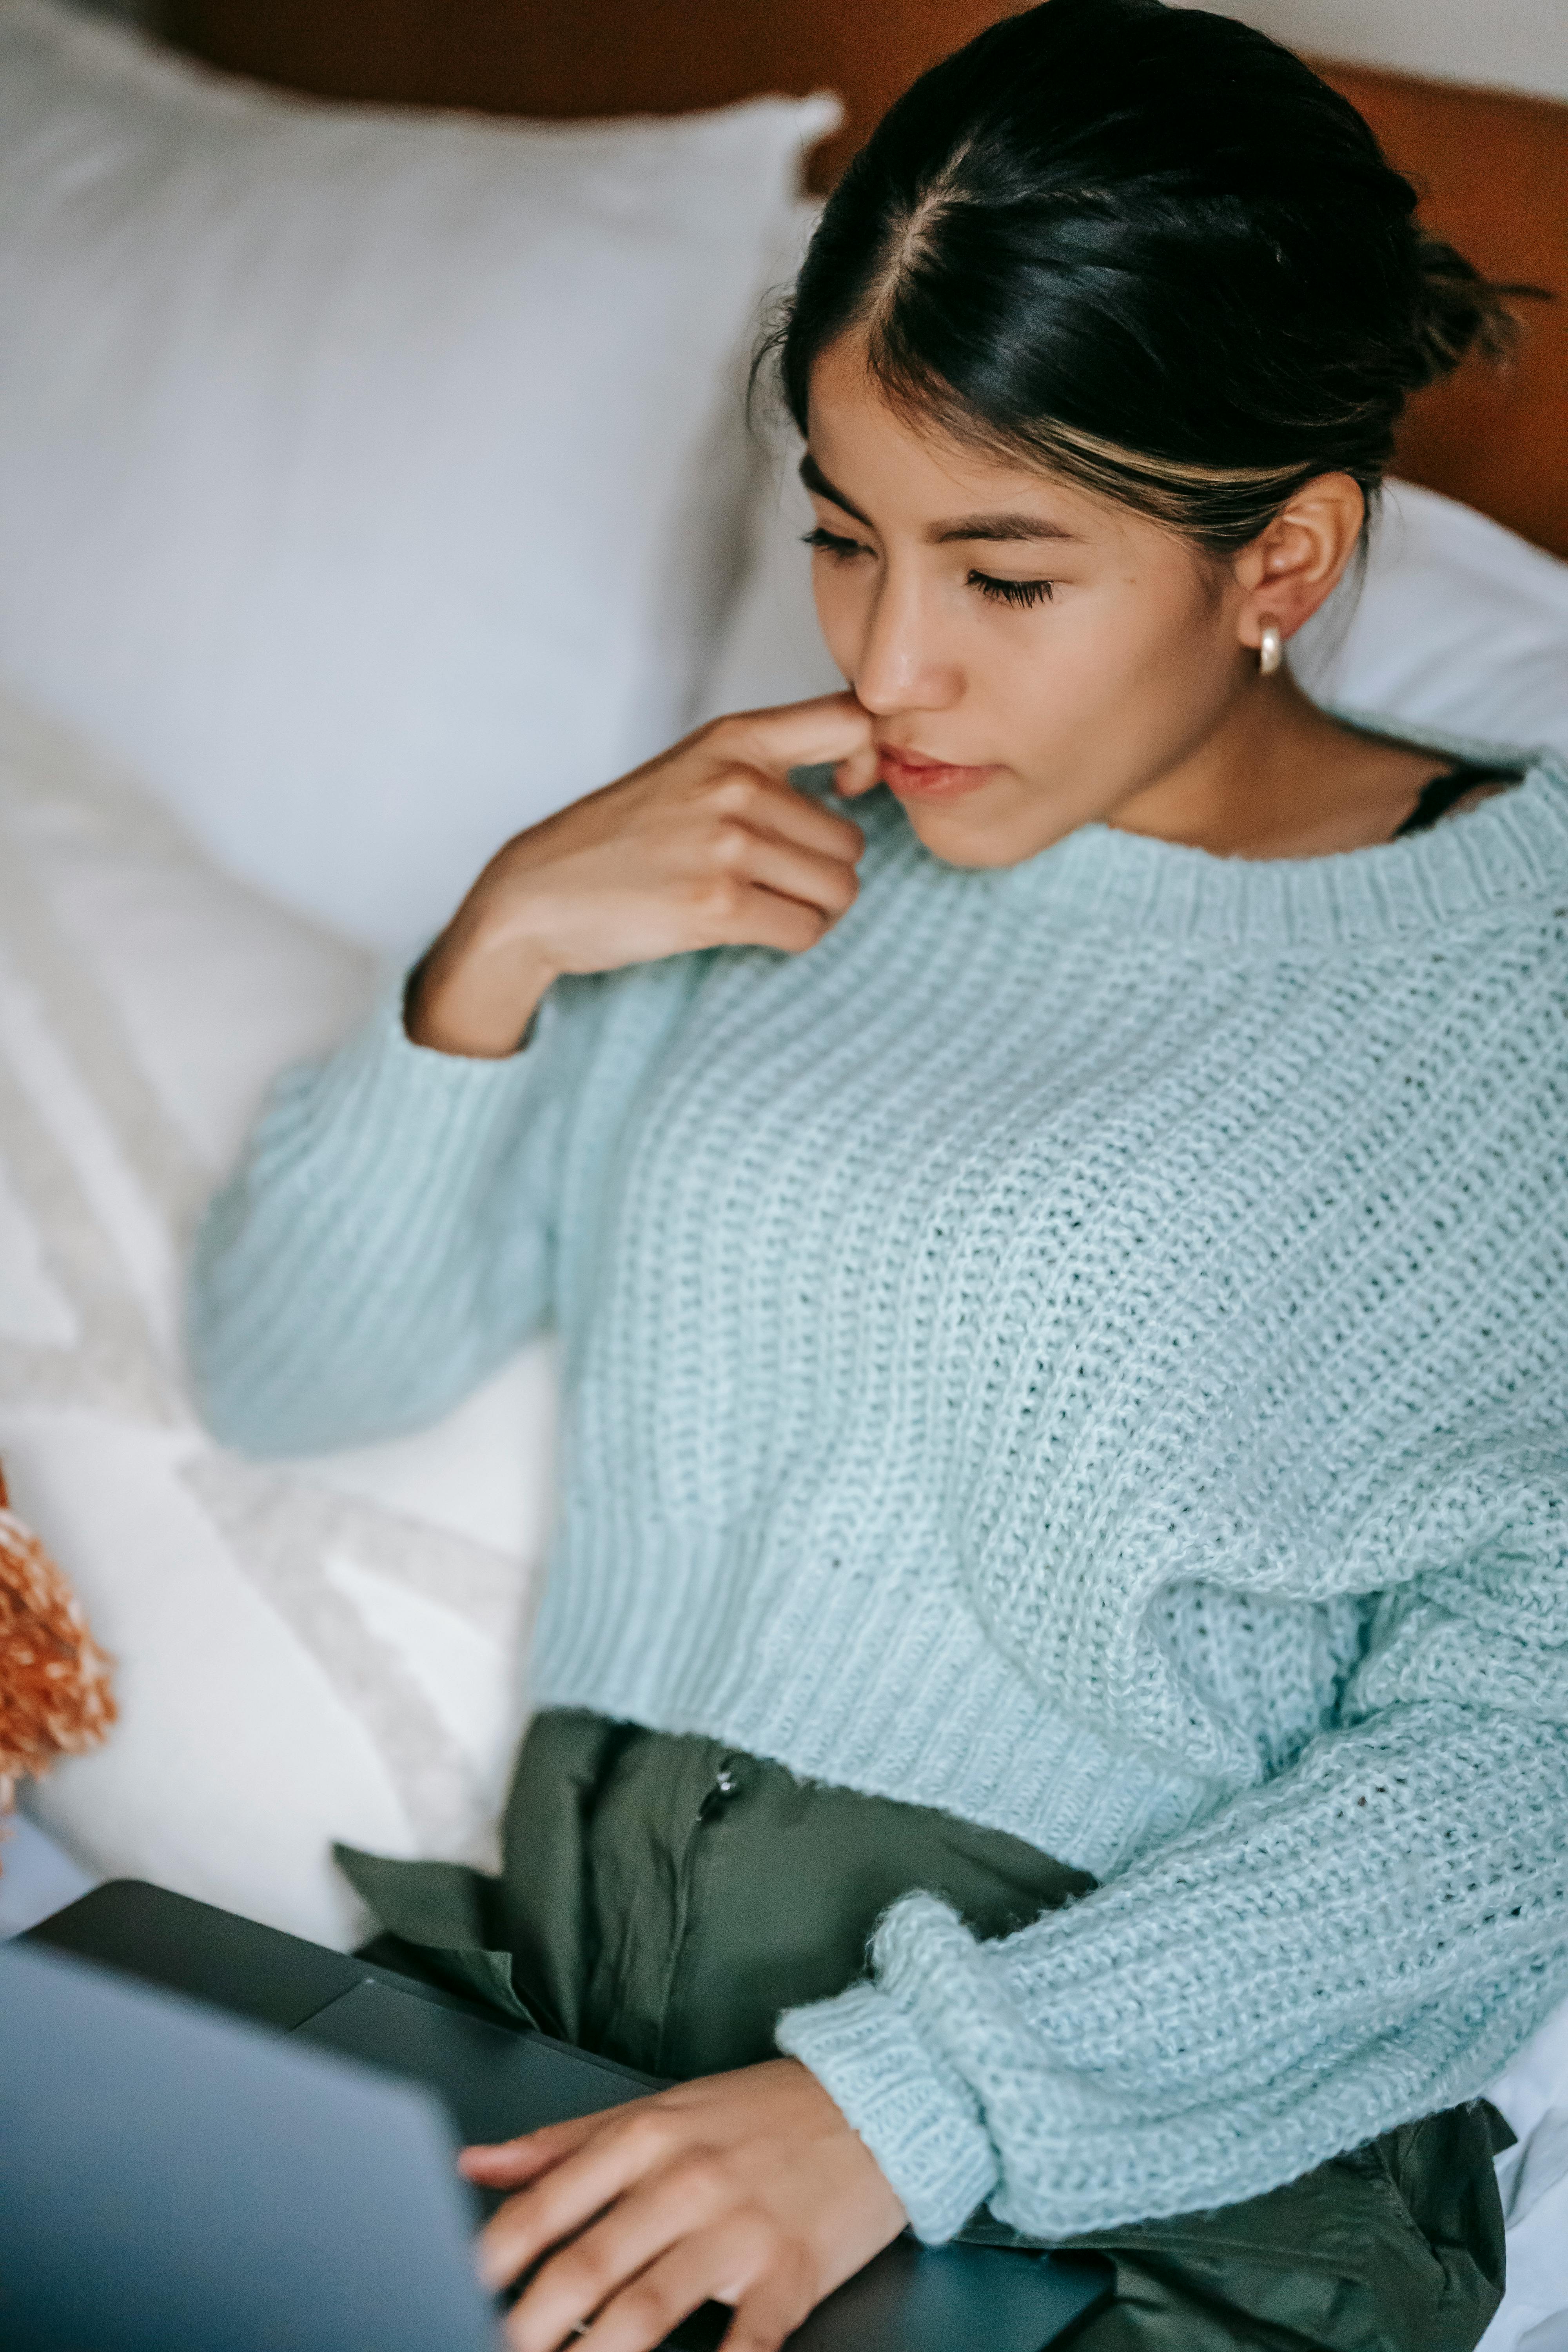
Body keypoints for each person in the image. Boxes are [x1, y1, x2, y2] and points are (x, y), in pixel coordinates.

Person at [188, 4, 1568, 2347]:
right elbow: (286, 1370)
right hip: (589, 2071)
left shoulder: (1520, 995)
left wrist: (906, 2103)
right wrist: (501, 945)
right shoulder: (752, 865)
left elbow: (1516, 1768)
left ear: (1288, 555)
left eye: (1004, 576)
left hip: (1124, 2174)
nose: (893, 668)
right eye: (842, 540)